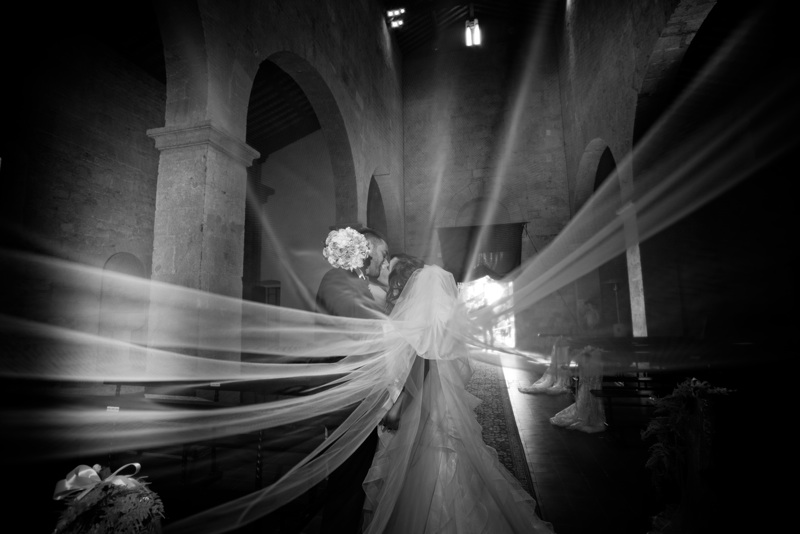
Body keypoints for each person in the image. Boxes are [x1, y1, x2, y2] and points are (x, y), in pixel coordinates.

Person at [362, 254, 557, 534]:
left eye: (397, 285)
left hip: (426, 405)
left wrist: (398, 407)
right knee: (450, 461)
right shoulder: (436, 317)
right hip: (438, 402)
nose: (395, 292)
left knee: (435, 465)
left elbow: (424, 367)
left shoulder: (425, 322)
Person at [315, 226, 390, 534]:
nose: (385, 261)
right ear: (367, 250)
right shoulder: (336, 280)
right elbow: (361, 331)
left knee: (359, 473)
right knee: (348, 476)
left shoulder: (358, 281)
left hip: (361, 390)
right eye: (383, 254)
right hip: (347, 395)